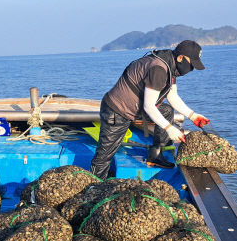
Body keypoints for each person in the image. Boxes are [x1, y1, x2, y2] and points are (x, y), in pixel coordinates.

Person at [89, 40, 211, 180]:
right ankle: (94, 185)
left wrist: (193, 115)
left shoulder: (171, 67)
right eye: (191, 64)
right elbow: (149, 106)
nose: (191, 68)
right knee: (105, 154)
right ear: (180, 58)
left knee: (166, 111)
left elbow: (173, 97)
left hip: (137, 108)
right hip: (117, 110)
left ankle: (155, 155)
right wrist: (170, 129)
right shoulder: (159, 69)